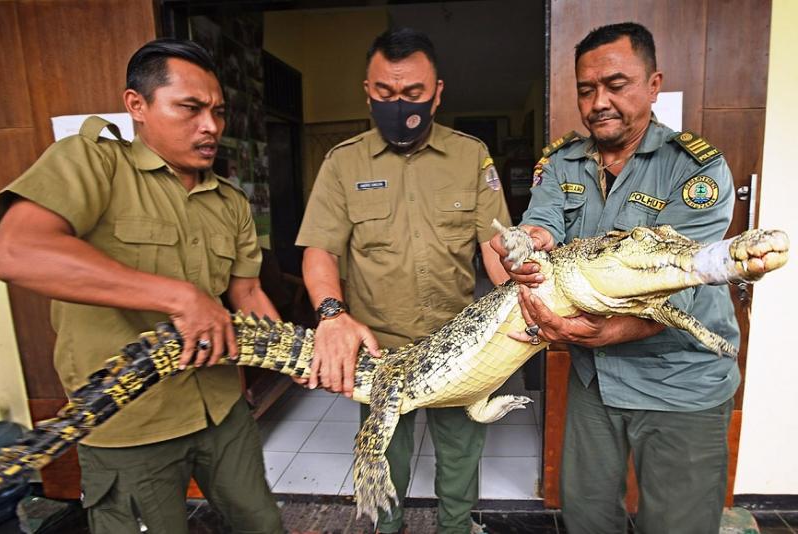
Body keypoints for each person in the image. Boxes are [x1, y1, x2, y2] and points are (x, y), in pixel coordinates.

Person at [0, 39, 283, 534]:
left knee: (260, 523)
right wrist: (180, 297)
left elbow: (247, 295)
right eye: (190, 109)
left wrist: (295, 355)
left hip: (222, 410)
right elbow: (14, 250)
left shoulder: (231, 201)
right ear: (138, 106)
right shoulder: (92, 163)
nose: (211, 126)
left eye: (218, 111)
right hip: (129, 425)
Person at [491, 22, 739, 534]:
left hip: (679, 379)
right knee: (586, 516)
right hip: (595, 378)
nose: (599, 101)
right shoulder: (562, 161)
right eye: (586, 89)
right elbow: (545, 224)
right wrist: (525, 246)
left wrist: (605, 331)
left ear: (653, 84)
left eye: (616, 84)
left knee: (678, 524)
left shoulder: (694, 170)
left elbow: (683, 281)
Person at [296, 28, 511, 534]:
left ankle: (457, 526)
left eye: (413, 94)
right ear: (367, 92)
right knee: (383, 458)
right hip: (379, 350)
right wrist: (331, 315)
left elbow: (494, 247)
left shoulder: (470, 156)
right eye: (386, 94)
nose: (399, 105)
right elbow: (319, 250)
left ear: (437, 92)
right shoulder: (342, 163)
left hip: (458, 345)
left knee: (461, 452)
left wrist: (522, 299)